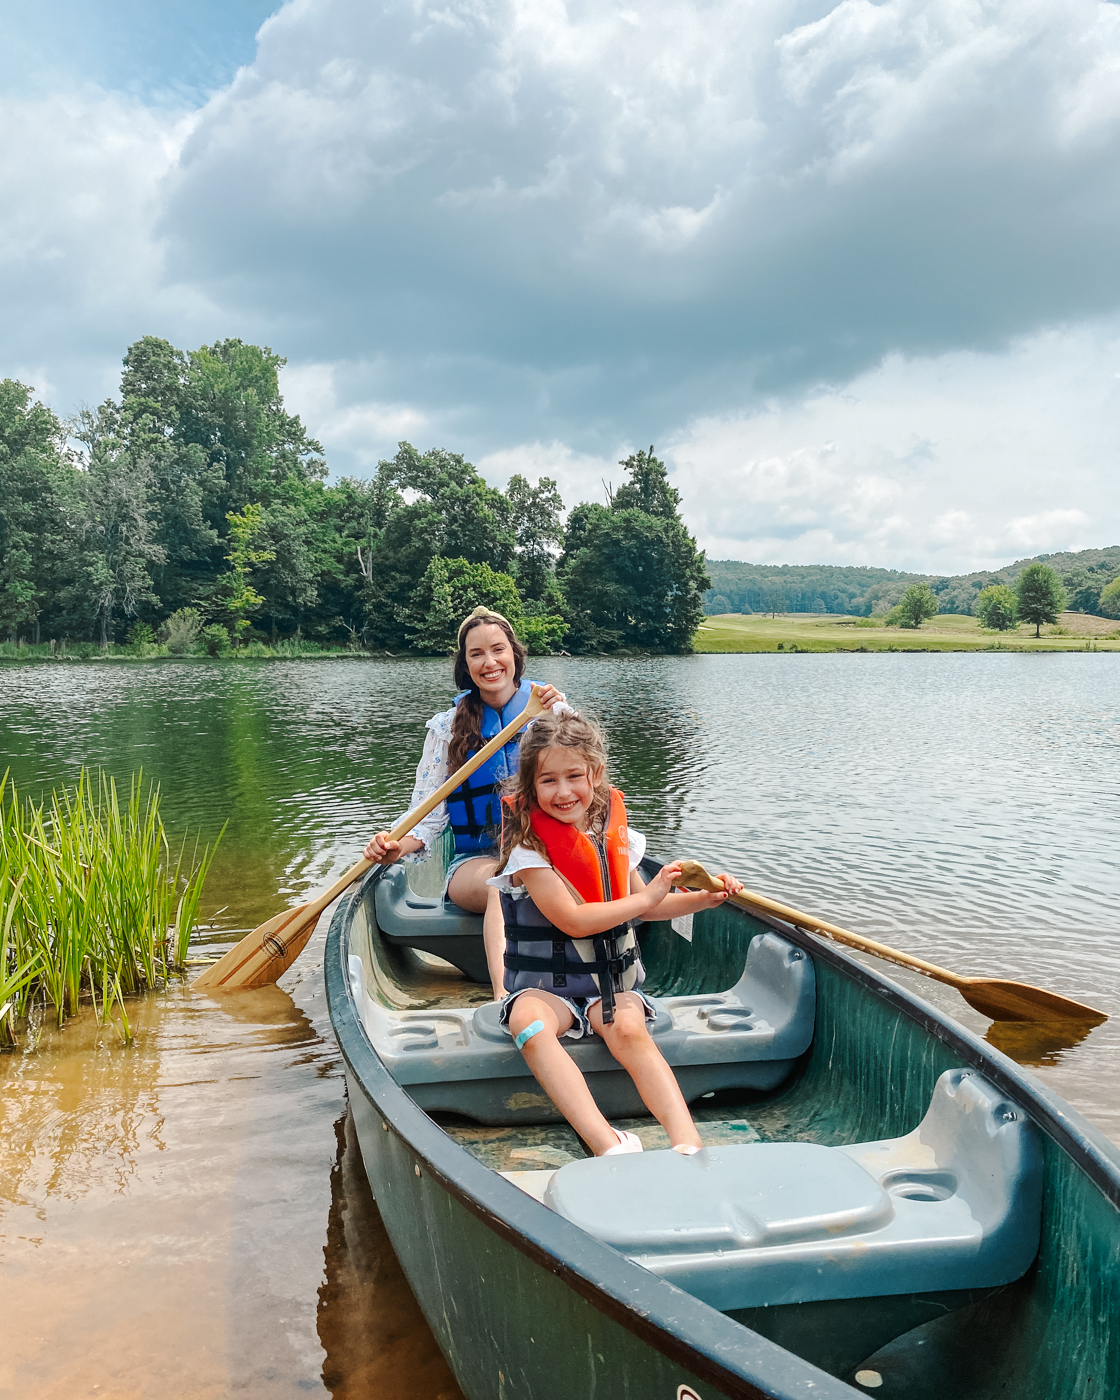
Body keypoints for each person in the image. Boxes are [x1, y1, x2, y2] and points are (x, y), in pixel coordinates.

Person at [488, 709, 744, 1157]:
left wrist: (704, 898)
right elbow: (572, 920)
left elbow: (653, 905)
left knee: (628, 1026)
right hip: (547, 991)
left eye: (574, 776)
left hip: (608, 986)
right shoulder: (528, 850)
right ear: (529, 787)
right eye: (548, 781)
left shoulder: (614, 838)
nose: (564, 792)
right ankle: (606, 1142)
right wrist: (648, 898)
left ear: (596, 775)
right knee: (527, 1024)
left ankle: (688, 1142)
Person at [363, 608, 566, 988]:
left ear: (515, 655)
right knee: (506, 878)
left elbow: (584, 791)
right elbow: (428, 816)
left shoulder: (550, 713)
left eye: (498, 649)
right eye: (476, 654)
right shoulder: (446, 728)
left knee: (581, 870)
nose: (489, 662)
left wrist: (562, 715)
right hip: (478, 862)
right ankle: (506, 997)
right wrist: (392, 846)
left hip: (547, 851)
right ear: (465, 664)